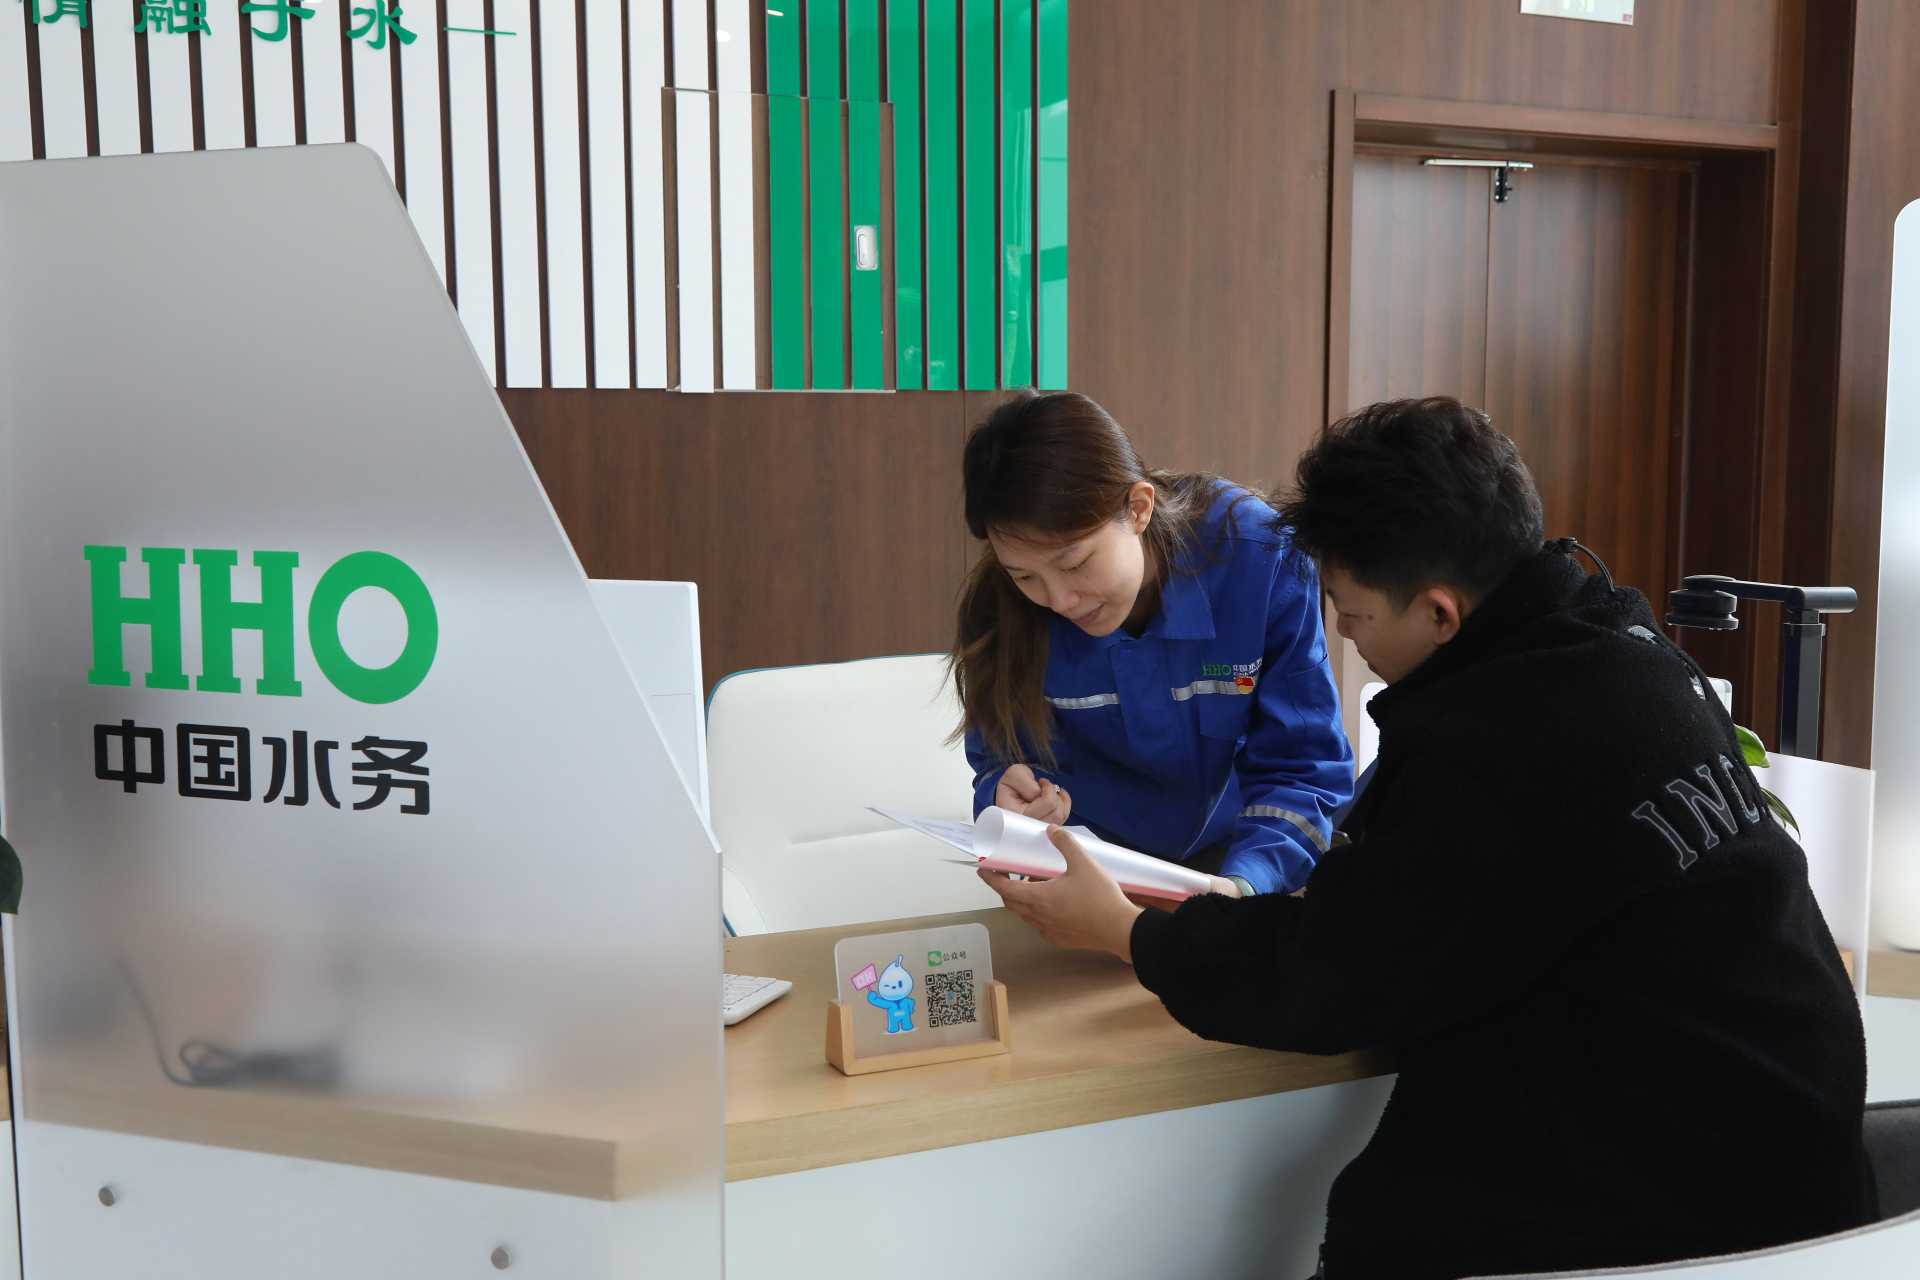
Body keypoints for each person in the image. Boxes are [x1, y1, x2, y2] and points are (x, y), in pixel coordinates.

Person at [979, 397, 1877, 1279]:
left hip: (1675, 1209)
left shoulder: (1493, 744)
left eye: (1354, 615)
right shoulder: (1626, 649)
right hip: (1805, 1172)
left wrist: (1130, 933)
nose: (1343, 636)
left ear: (1440, 614)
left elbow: (1332, 979)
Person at [951, 391, 1352, 897]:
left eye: (1075, 563)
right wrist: (1008, 800)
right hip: (1087, 880)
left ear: (1138, 508)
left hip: (1244, 864)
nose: (1059, 600)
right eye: (1025, 576)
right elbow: (996, 760)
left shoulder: (1262, 560)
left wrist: (1242, 888)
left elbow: (1303, 768)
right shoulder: (998, 607)